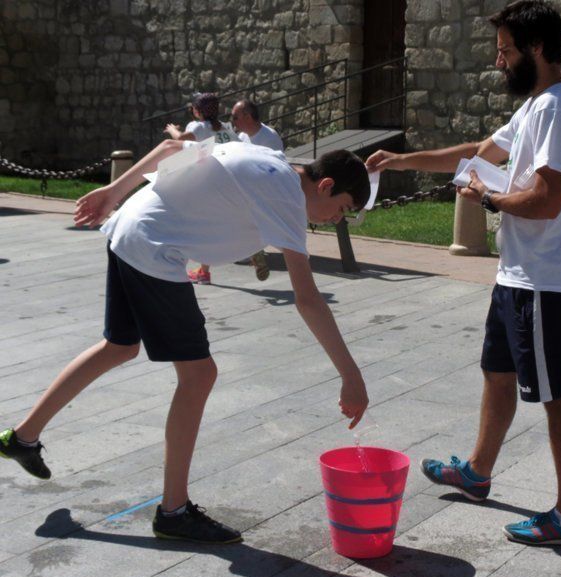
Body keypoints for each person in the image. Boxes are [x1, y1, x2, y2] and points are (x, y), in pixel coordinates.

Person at [0, 140, 370, 544]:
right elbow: (308, 298)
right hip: (154, 249)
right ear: (326, 185)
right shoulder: (284, 193)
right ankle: (173, 511)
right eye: (344, 209)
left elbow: (175, 147)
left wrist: (113, 193)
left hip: (132, 229)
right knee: (199, 374)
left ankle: (22, 438)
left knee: (120, 347)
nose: (338, 220)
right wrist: (351, 376)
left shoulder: (270, 159)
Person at [367, 0, 561, 546]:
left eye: (505, 51)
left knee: (557, 392)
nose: (498, 62)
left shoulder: (560, 109)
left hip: (541, 281)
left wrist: (487, 196)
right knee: (497, 372)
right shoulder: (536, 106)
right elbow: (476, 152)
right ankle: (477, 472)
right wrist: (401, 160)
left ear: (536, 50)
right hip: (514, 275)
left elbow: (547, 200)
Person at [164, 92, 239, 284]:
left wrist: (172, 130)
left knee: (188, 223)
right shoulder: (225, 129)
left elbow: (181, 138)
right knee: (210, 225)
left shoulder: (198, 126)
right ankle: (204, 272)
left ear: (197, 111)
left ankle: (177, 263)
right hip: (222, 181)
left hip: (201, 182)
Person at [231, 99, 286, 281]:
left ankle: (252, 249)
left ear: (247, 116)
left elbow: (275, 169)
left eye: (235, 117)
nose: (233, 122)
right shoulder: (242, 137)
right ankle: (251, 249)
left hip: (267, 189)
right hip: (247, 187)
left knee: (245, 204)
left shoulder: (269, 137)